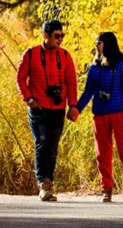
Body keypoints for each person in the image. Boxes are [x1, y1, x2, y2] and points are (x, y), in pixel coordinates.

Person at [70, 31, 123, 202]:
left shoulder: (122, 65)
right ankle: (106, 189)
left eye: (99, 42)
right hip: (100, 115)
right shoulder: (94, 68)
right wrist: (76, 109)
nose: (96, 45)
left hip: (120, 114)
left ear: (108, 44)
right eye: (95, 42)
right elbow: (88, 91)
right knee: (102, 154)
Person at [16, 20, 78, 201]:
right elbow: (20, 79)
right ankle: (43, 184)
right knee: (41, 144)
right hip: (38, 108)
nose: (60, 39)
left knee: (52, 147)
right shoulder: (30, 54)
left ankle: (49, 184)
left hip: (57, 108)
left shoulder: (65, 56)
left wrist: (72, 105)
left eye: (62, 36)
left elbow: (71, 82)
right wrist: (29, 99)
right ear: (46, 36)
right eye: (56, 36)